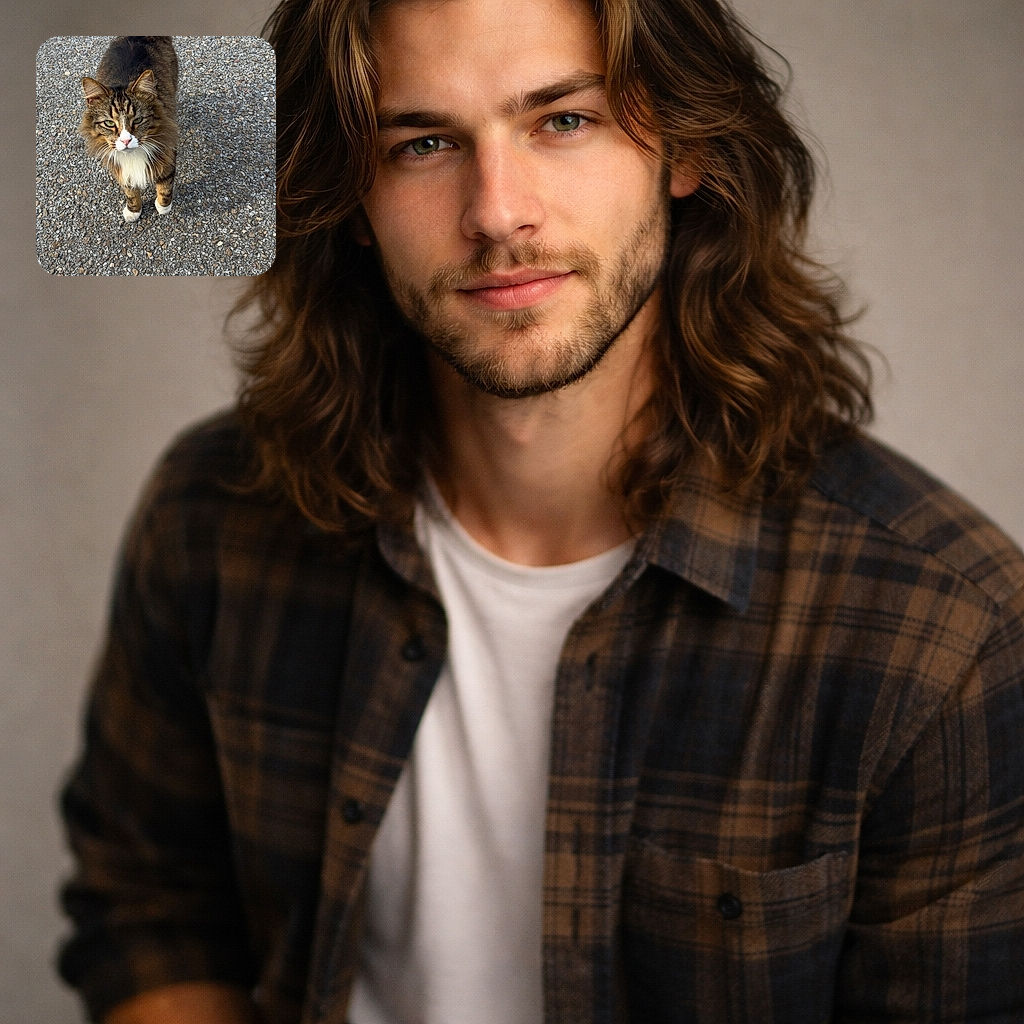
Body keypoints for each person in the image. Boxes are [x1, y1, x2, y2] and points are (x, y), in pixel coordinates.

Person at [57, 0, 1024, 1020]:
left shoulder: (948, 633)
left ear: (686, 146)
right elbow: (147, 905)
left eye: (564, 119)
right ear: (349, 192)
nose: (498, 212)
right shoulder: (214, 509)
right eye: (422, 142)